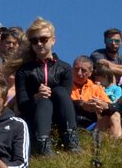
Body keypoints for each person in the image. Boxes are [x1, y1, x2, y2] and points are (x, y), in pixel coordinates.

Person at [12, 17, 81, 156]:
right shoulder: (24, 71)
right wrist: (36, 97)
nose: (39, 43)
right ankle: (42, 145)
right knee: (43, 101)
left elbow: (65, 97)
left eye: (43, 39)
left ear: (53, 40)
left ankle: (71, 140)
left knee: (60, 91)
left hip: (60, 112)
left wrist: (52, 93)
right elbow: (22, 103)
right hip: (34, 113)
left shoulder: (65, 68)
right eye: (34, 40)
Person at [71, 55, 121, 138]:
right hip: (72, 118)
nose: (79, 73)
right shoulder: (65, 85)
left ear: (90, 73)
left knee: (114, 113)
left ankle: (114, 145)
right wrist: (82, 104)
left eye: (83, 70)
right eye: (76, 69)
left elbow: (111, 106)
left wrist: (105, 105)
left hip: (94, 122)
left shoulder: (96, 88)